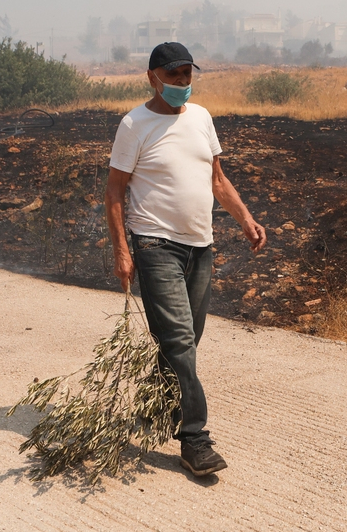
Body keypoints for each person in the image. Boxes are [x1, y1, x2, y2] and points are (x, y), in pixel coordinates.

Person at [105, 42, 266, 477]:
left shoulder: (201, 118)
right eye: (173, 75)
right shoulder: (133, 124)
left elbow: (217, 179)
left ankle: (158, 405)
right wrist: (122, 250)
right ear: (152, 77)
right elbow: (115, 192)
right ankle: (195, 439)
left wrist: (246, 219)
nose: (182, 83)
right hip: (156, 246)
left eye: (187, 75)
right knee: (179, 341)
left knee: (185, 341)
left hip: (201, 246)